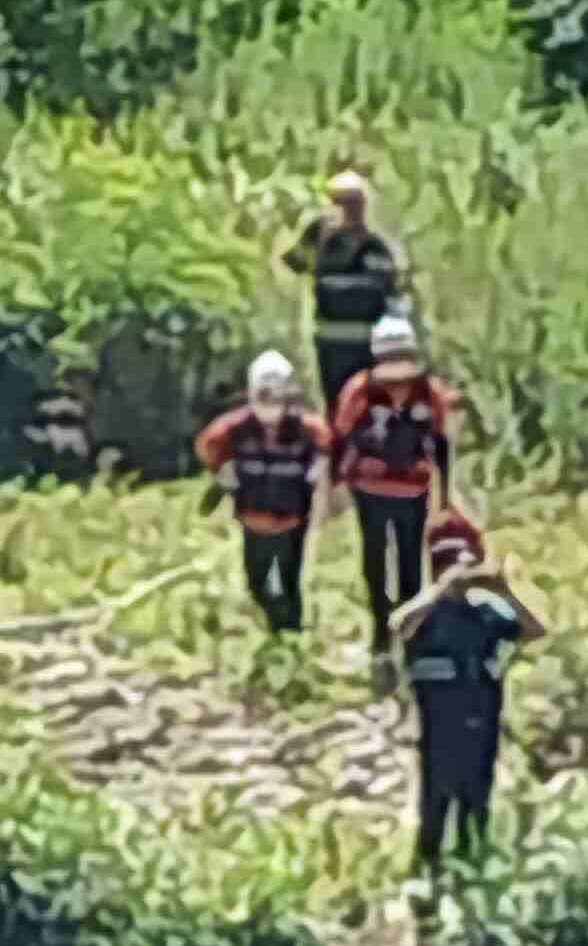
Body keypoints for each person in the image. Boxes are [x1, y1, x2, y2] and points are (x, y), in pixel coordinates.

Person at [390, 510, 542, 878]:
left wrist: (505, 590)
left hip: (482, 713)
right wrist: (442, 590)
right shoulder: (425, 610)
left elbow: (534, 631)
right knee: (435, 796)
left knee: (476, 794)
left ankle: (472, 862)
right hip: (438, 721)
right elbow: (398, 626)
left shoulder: (488, 611)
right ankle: (427, 866)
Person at [328, 313, 457, 661]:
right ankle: (380, 635)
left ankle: (411, 633)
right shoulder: (360, 390)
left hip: (413, 491)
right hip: (369, 491)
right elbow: (342, 440)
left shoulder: (429, 393)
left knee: (411, 565)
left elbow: (441, 444)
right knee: (374, 560)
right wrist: (335, 487)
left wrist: (444, 497)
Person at [194, 350, 328, 637]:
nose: (270, 401)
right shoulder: (234, 428)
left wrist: (320, 473)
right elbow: (206, 446)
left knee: (290, 585)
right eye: (264, 394)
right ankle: (275, 626)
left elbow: (327, 448)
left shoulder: (307, 429)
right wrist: (222, 472)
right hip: (252, 520)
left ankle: (291, 639)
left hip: (291, 521)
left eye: (276, 395)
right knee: (256, 584)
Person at [281, 168, 408, 421]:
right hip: (331, 340)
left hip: (368, 342)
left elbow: (392, 286)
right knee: (337, 407)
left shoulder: (374, 244)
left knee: (367, 407)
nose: (349, 209)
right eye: (342, 202)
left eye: (355, 202)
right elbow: (293, 262)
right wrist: (320, 239)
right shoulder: (319, 235)